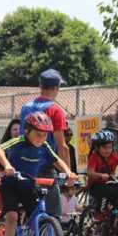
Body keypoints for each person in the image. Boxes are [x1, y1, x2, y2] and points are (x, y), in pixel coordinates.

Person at [0, 112, 77, 236]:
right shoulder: (18, 142)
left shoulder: (44, 147)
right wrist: (7, 165)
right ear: (27, 131)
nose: (42, 139)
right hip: (11, 184)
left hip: (29, 185)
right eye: (38, 134)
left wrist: (69, 173)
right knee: (12, 215)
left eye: (45, 135)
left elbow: (57, 161)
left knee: (38, 214)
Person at [18, 69, 72, 218]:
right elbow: (62, 146)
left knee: (31, 211)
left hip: (23, 164)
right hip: (44, 166)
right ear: (56, 88)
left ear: (40, 86)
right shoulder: (55, 110)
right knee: (53, 214)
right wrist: (68, 174)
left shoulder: (26, 107)